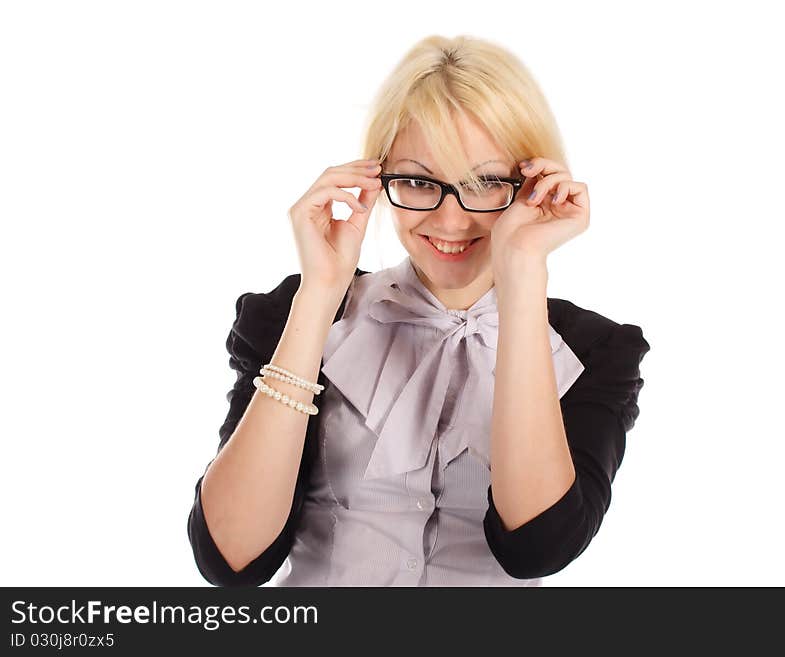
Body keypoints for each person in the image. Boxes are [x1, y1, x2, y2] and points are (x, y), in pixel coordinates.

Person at [187, 34, 650, 587]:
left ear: (533, 182)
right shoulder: (295, 312)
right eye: (416, 181)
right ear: (377, 178)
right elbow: (231, 559)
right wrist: (319, 294)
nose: (450, 222)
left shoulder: (596, 352)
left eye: (484, 184)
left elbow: (538, 547)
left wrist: (524, 273)